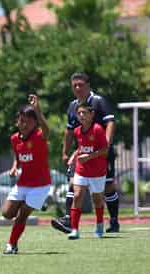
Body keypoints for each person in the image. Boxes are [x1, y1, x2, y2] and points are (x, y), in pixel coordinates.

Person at [51, 72, 119, 234]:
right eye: (74, 85)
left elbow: (110, 122)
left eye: (80, 84)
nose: (77, 88)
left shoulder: (98, 102)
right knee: (74, 184)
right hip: (81, 153)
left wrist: (107, 145)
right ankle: (69, 220)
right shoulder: (73, 106)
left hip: (101, 153)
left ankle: (114, 221)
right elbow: (69, 131)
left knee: (107, 187)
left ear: (88, 85)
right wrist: (65, 152)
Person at [2, 94, 51, 254]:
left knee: (22, 214)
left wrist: (38, 110)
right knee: (7, 213)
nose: (23, 124)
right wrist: (14, 167)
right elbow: (18, 158)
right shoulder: (14, 139)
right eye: (21, 121)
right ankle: (39, 203)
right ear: (17, 121)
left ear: (35, 122)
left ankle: (12, 244)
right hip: (23, 183)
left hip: (40, 185)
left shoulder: (39, 136)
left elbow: (47, 129)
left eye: (28, 122)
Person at [66, 103, 108, 239]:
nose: (81, 116)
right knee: (77, 195)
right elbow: (81, 148)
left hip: (97, 171)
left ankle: (100, 224)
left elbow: (104, 150)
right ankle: (74, 230)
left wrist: (89, 157)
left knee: (97, 199)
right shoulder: (77, 131)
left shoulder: (98, 129)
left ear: (92, 115)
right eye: (79, 113)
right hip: (81, 169)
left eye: (84, 113)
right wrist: (74, 156)